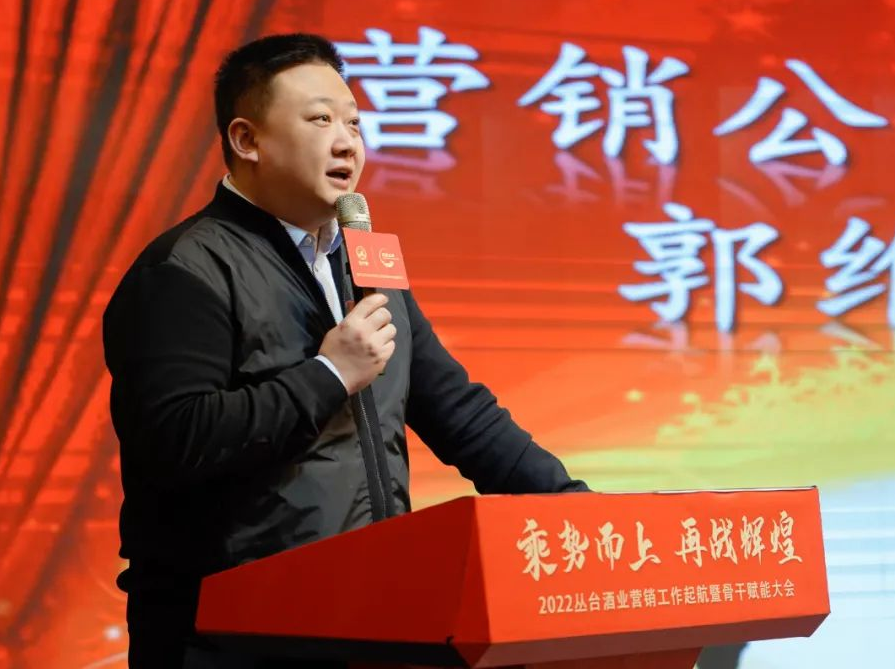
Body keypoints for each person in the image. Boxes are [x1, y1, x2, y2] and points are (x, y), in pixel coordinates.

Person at [102, 33, 587, 668]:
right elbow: (175, 441)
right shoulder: (184, 270)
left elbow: (460, 414)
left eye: (354, 122)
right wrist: (329, 374)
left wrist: (577, 512)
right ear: (247, 140)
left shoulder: (366, 264)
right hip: (232, 638)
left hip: (370, 615)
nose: (347, 142)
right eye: (320, 119)